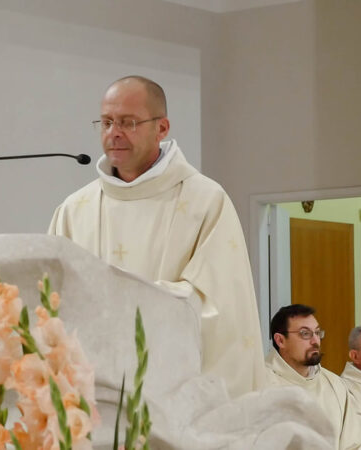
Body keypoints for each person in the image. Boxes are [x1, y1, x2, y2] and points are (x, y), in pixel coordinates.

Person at [48, 75, 264, 398]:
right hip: (94, 395)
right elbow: (51, 299)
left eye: (128, 122)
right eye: (106, 122)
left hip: (173, 393)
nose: (114, 133)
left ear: (161, 128)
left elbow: (219, 305)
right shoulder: (74, 209)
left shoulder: (205, 202)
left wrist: (122, 304)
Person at [264, 304, 361, 448]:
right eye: (305, 334)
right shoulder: (261, 384)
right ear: (280, 340)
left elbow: (359, 441)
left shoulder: (334, 384)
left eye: (317, 333)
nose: (315, 341)